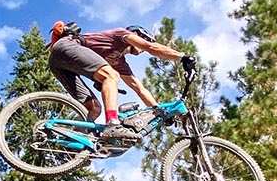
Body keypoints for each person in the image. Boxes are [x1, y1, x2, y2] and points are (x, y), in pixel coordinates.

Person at [48, 21, 196, 143]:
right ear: (137, 35)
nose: (143, 48)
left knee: (94, 109)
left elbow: (139, 88)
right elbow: (151, 48)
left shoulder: (120, 63)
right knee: (111, 76)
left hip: (57, 64)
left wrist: (160, 112)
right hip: (66, 46)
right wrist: (182, 57)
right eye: (144, 40)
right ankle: (112, 124)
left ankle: (73, 142)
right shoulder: (120, 34)